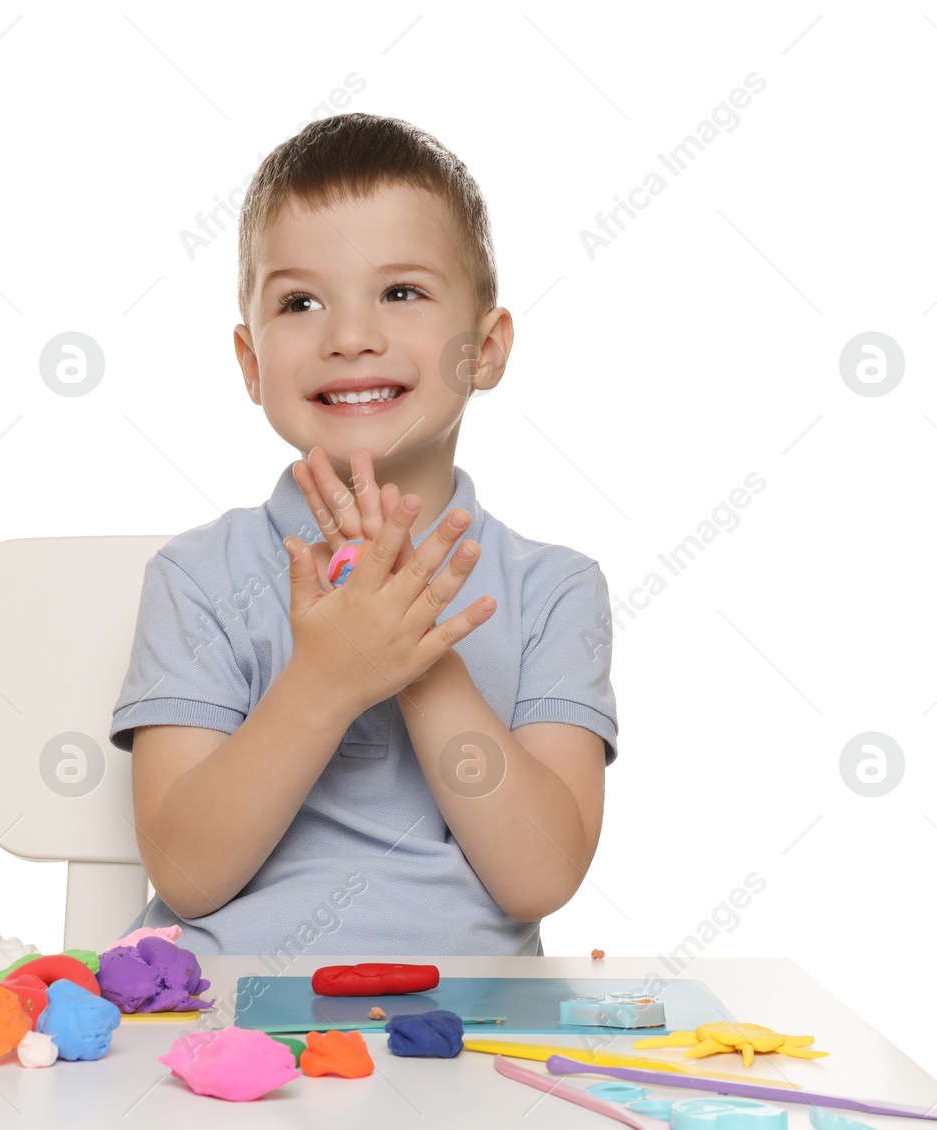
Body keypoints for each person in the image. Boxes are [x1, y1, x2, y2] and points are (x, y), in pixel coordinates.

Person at [108, 113, 617, 959]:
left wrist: (413, 657)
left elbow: (540, 877)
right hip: (222, 1026)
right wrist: (327, 679)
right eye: (301, 302)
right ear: (250, 363)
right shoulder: (197, 577)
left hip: (466, 1043)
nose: (350, 336)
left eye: (402, 292)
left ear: (485, 350)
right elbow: (189, 873)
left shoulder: (554, 589)